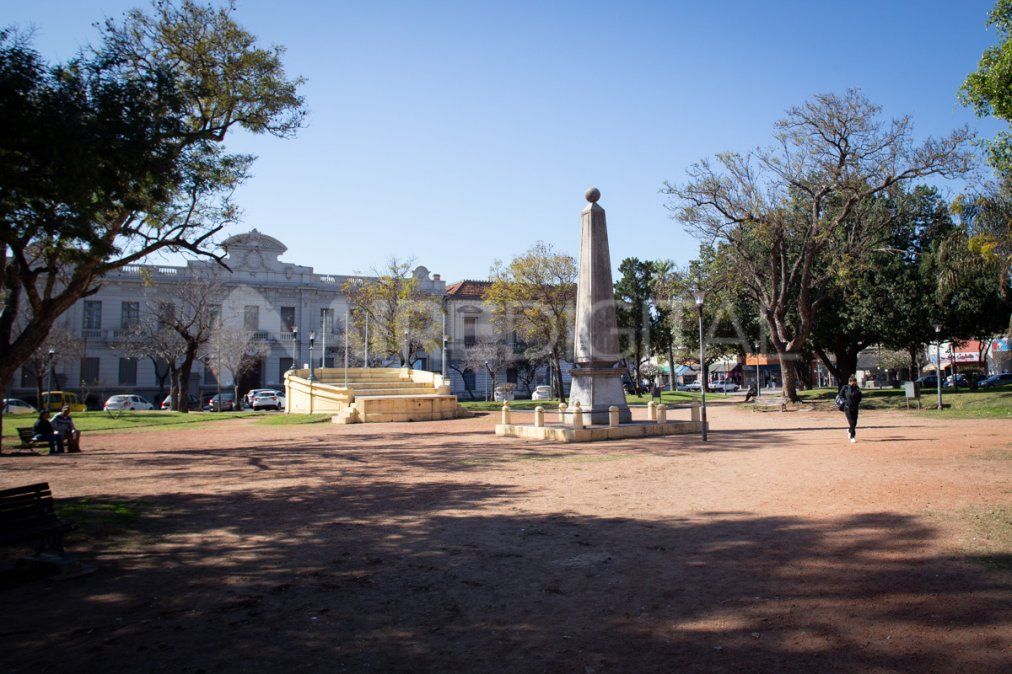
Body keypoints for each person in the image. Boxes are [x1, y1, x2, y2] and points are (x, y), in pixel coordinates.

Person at [839, 375, 863, 443]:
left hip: (855, 407)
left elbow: (860, 397)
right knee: (852, 422)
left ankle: (850, 430)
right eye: (852, 381)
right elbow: (841, 395)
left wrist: (857, 402)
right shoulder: (845, 387)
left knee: (855, 422)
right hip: (847, 407)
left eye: (854, 382)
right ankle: (852, 436)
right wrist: (845, 401)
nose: (853, 383)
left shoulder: (857, 388)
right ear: (849, 381)